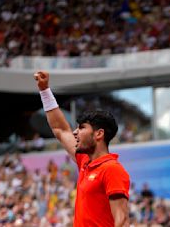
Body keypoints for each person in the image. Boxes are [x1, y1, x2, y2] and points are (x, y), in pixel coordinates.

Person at [34, 71, 130, 227]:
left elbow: (122, 220)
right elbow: (61, 129)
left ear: (99, 134)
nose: (74, 132)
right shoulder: (85, 162)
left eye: (81, 128)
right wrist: (44, 90)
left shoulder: (112, 169)